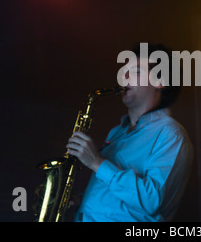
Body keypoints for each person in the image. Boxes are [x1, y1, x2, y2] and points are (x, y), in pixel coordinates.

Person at [67, 43, 193, 222]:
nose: (123, 76)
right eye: (124, 70)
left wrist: (96, 162)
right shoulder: (116, 132)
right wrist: (81, 201)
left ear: (161, 82)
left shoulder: (171, 134)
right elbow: (118, 200)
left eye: (135, 71)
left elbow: (151, 200)